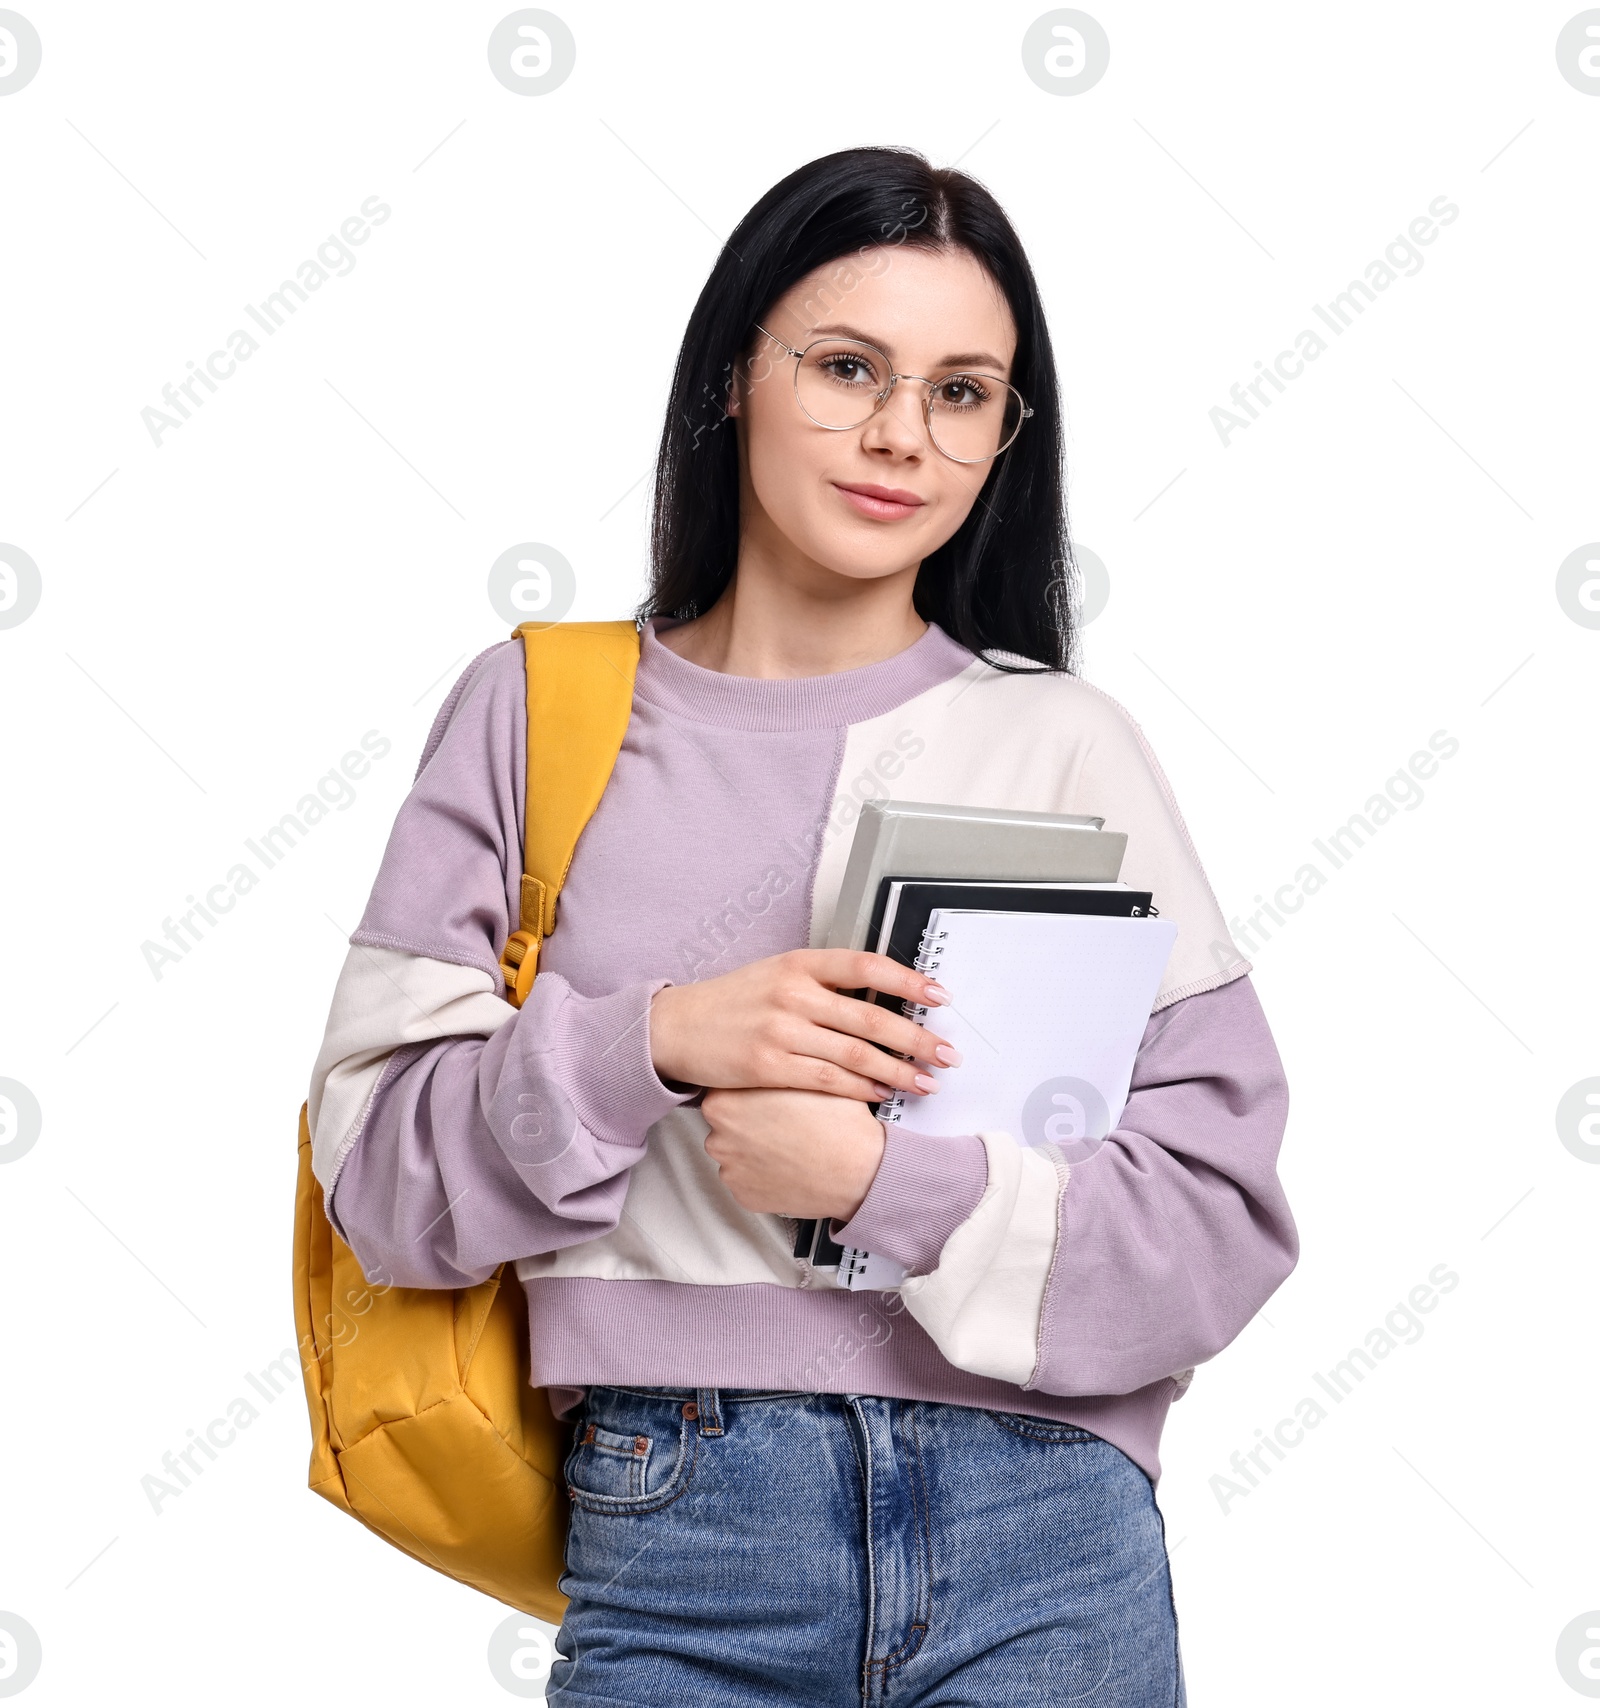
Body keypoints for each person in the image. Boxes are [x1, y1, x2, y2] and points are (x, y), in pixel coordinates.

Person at [307, 145, 1296, 1707]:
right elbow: (376, 1181)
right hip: (683, 1528)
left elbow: (1218, 1225)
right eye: (847, 368)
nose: (903, 433)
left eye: (963, 392)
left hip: (1051, 1534)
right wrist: (657, 1043)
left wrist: (885, 1185)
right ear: (730, 381)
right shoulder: (536, 712)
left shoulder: (1068, 745)